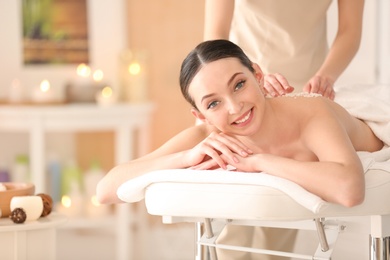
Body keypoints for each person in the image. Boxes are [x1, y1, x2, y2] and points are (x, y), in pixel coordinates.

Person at [96, 40, 383, 259]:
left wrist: (261, 162)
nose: (235, 107)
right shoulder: (208, 134)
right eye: (213, 103)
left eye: (239, 84)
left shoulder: (311, 113)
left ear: (258, 75)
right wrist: (185, 157)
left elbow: (349, 189)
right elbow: (106, 189)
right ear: (200, 115)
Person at [203, 0, 364, 100]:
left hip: (311, 86)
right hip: (244, 78)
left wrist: (326, 77)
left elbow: (349, 31)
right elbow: (216, 36)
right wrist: (252, 74)